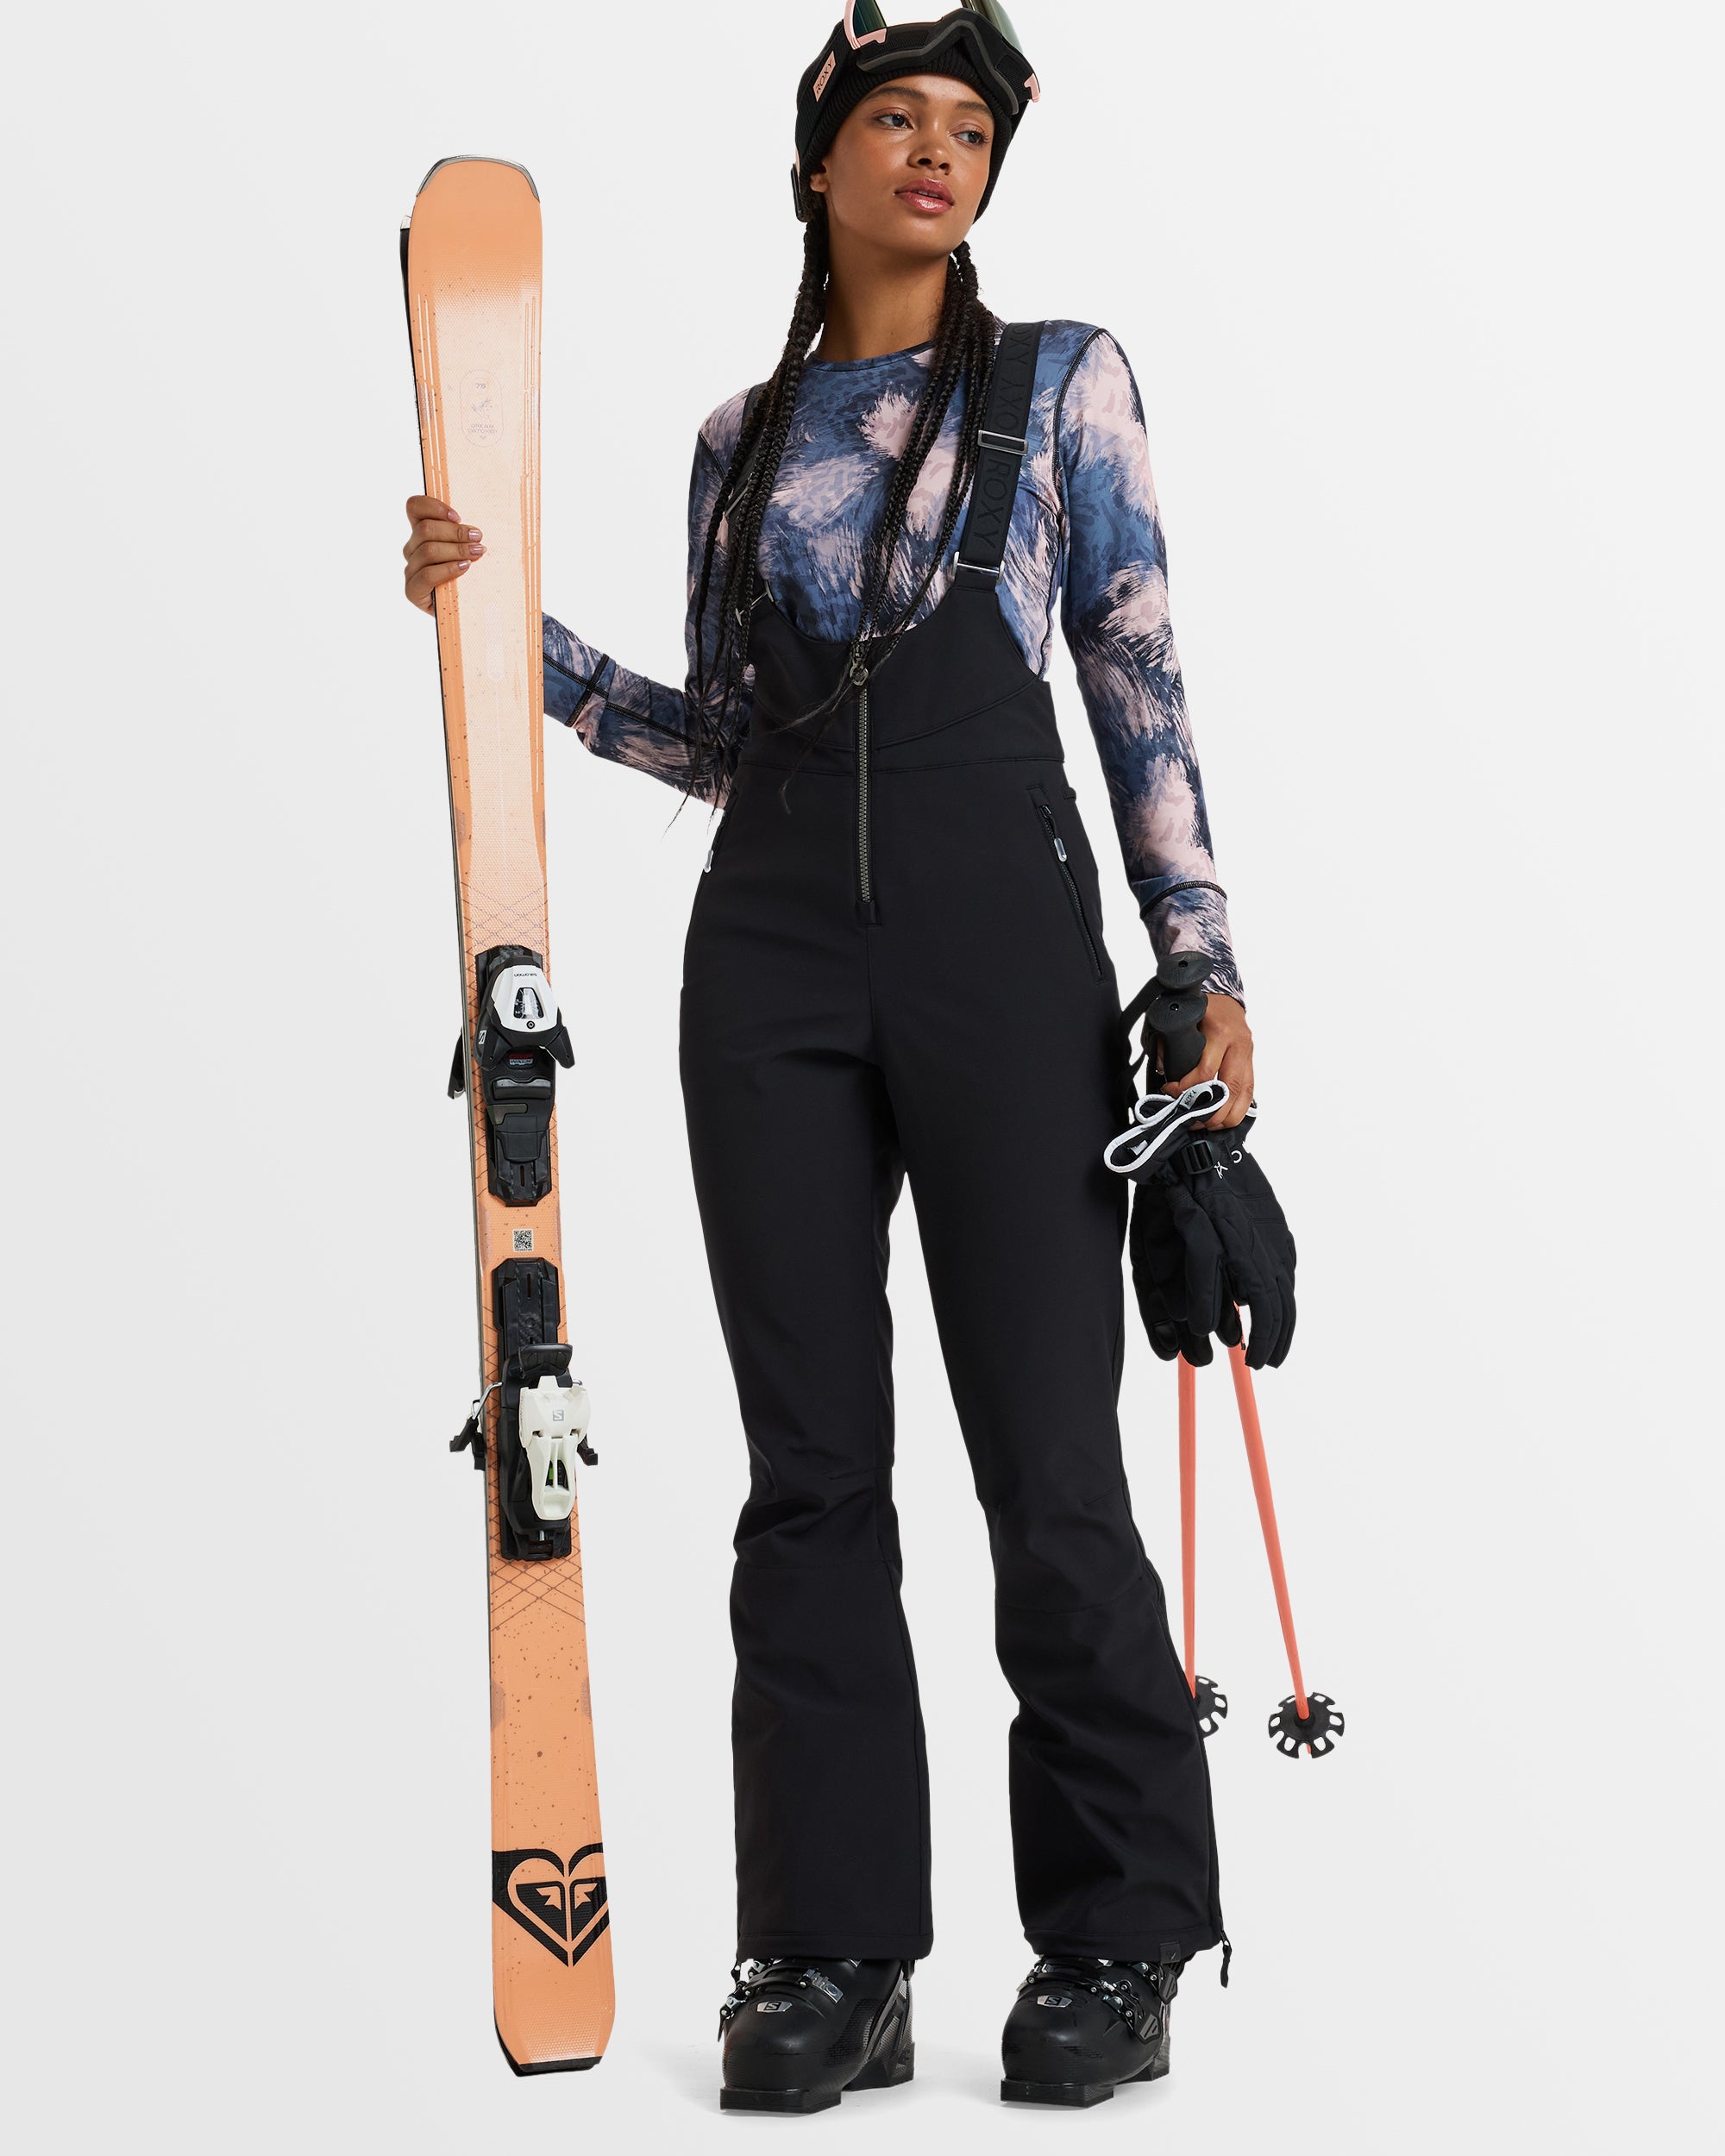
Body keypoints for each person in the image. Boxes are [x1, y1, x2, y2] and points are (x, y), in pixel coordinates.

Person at [404, 3, 1251, 2115]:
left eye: (968, 126)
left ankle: (1120, 1933)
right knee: (808, 1471)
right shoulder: (742, 435)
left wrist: (1202, 958)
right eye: (896, 116)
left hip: (1001, 944)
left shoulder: (1060, 379)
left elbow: (1135, 667)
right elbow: (725, 737)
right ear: (821, 159)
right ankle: (832, 1949)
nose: (936, 152)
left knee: (1047, 1462)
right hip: (767, 948)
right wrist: (505, 635)